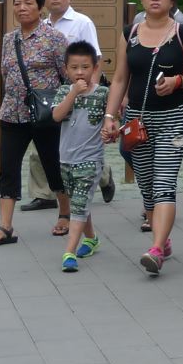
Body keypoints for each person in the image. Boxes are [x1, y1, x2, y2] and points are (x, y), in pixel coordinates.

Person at [101, 0, 183, 275]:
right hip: (137, 119)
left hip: (173, 119)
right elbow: (121, 78)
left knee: (164, 183)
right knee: (146, 183)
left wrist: (177, 82)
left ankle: (157, 248)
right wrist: (110, 116)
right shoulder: (129, 34)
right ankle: (162, 233)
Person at [0, 0, 70, 246]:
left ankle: (65, 213)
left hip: (45, 115)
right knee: (7, 168)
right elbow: (4, 73)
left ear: (40, 7)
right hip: (12, 114)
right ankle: (5, 227)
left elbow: (66, 76)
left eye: (28, 3)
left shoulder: (53, 38)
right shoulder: (10, 39)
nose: (22, 8)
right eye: (17, 3)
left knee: (53, 165)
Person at [25, 0, 113, 212]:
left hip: (80, 93)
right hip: (51, 94)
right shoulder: (42, 26)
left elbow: (95, 58)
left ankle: (103, 176)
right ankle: (43, 193)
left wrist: (92, 92)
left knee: (81, 142)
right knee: (42, 144)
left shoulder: (81, 22)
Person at [51, 41, 109, 272]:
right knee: (79, 202)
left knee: (78, 205)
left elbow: (112, 120)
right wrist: (73, 93)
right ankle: (91, 238)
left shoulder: (103, 94)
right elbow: (56, 116)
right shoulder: (65, 91)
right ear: (66, 69)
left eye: (85, 67)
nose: (79, 72)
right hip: (65, 159)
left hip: (90, 160)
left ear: (95, 67)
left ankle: (69, 252)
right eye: (74, 67)